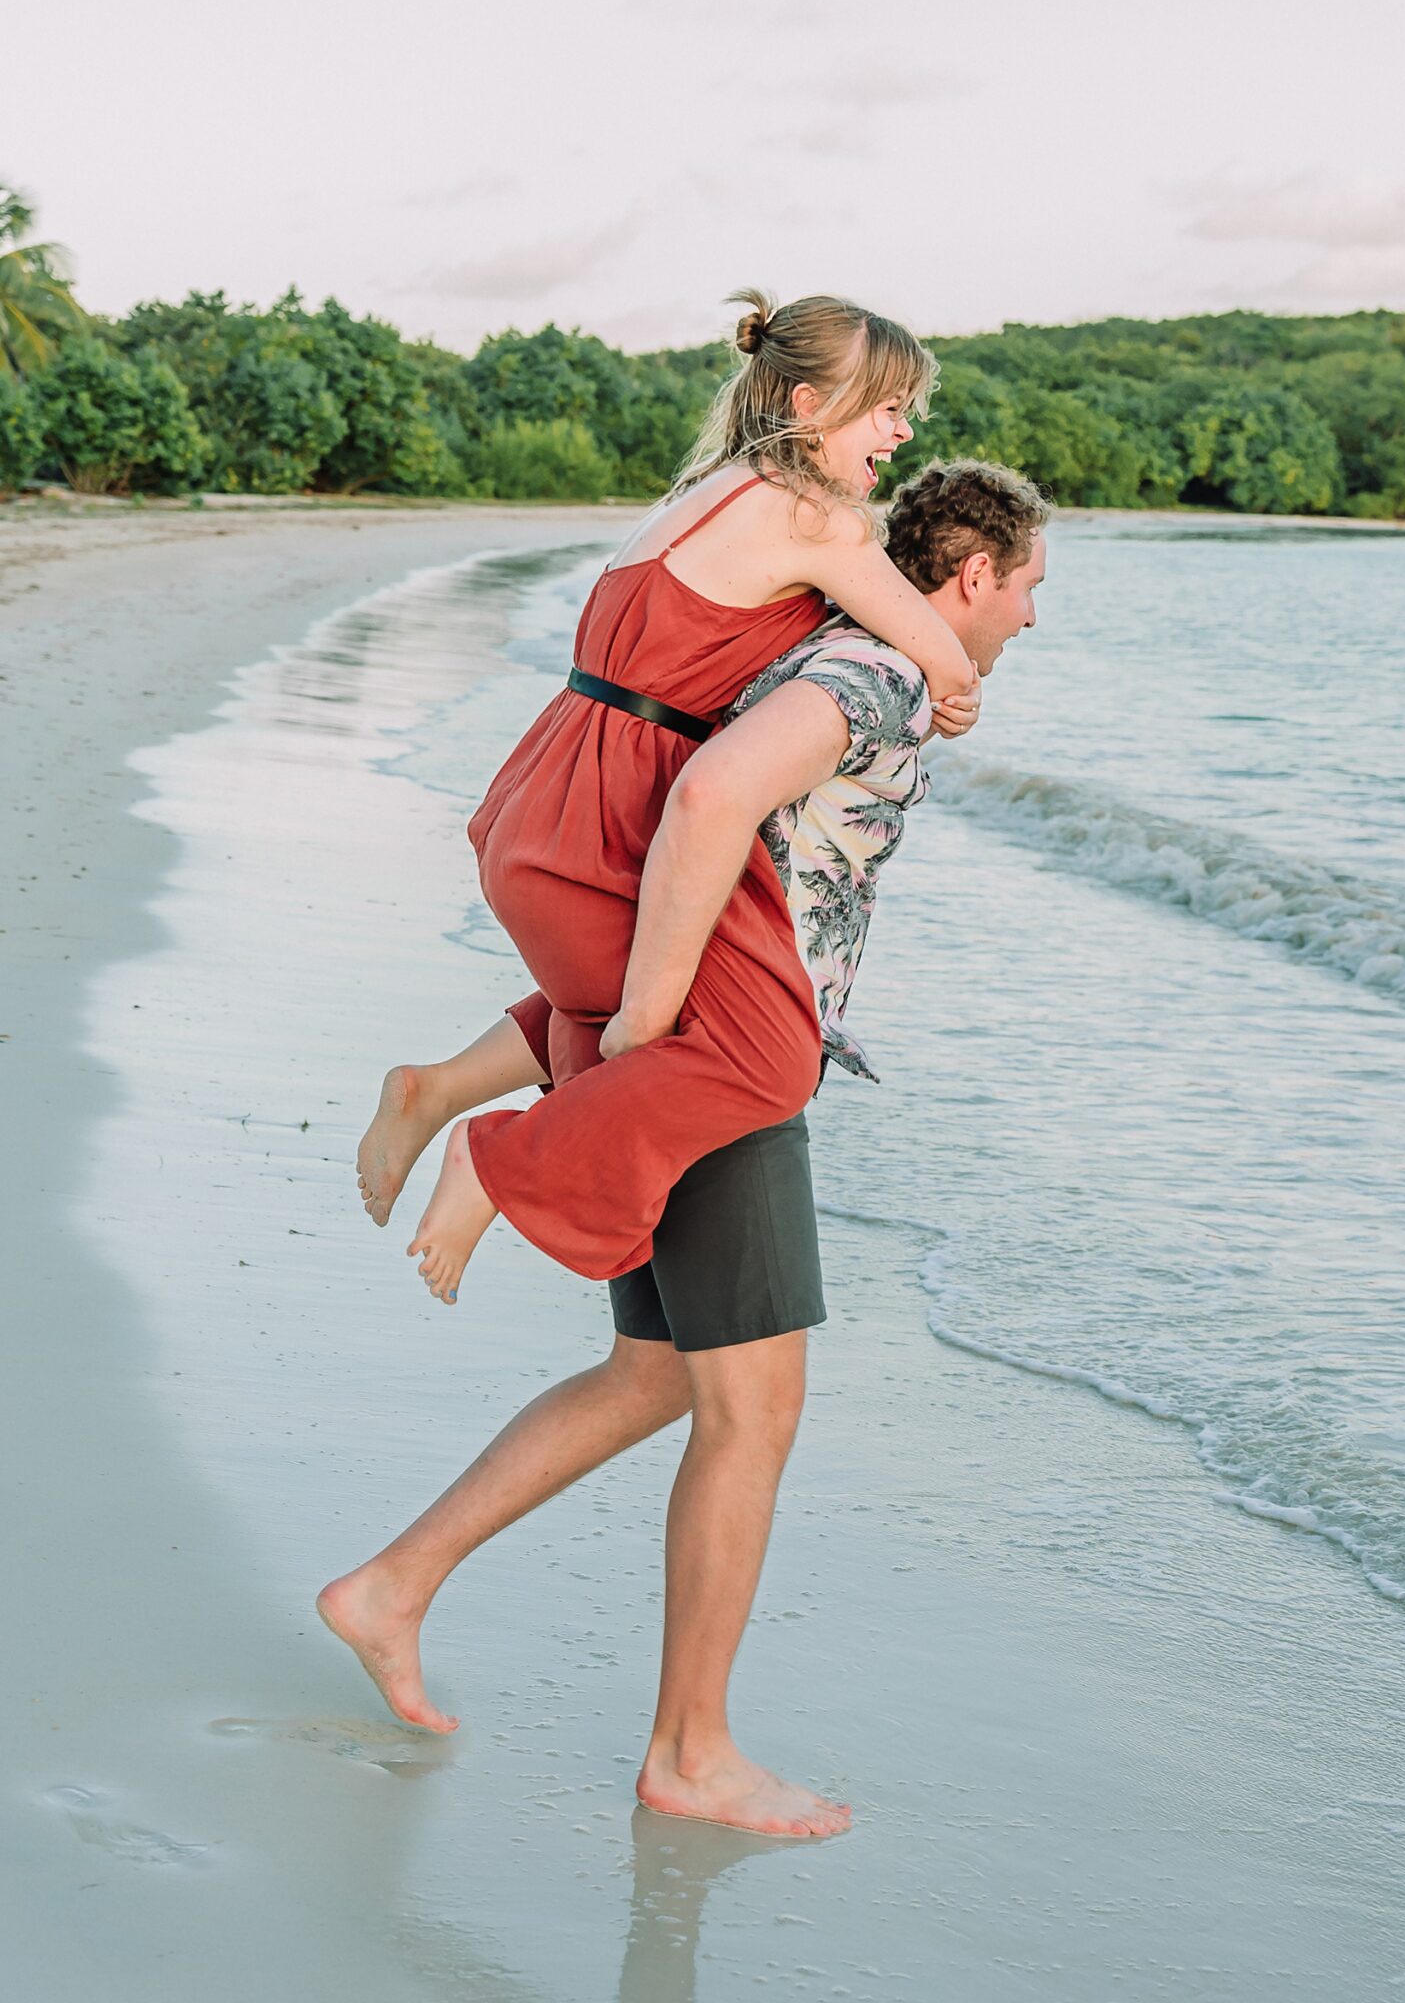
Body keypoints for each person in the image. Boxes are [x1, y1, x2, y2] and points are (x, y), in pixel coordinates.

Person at [319, 459, 1050, 1838]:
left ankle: (394, 1587)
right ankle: (689, 1752)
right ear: (969, 579)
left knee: (656, 1372)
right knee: (751, 1412)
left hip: (692, 1036)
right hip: (723, 1059)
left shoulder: (818, 641)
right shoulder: (873, 676)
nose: (1026, 619)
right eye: (1025, 592)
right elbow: (711, 797)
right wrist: (653, 1030)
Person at [354, 288, 980, 1301]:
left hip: (543, 802)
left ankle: (443, 1100)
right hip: (612, 819)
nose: (904, 431)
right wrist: (953, 695)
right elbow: (943, 659)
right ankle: (498, 1158)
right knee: (763, 1050)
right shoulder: (815, 515)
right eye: (887, 407)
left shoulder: (710, 486)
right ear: (813, 406)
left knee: (611, 1015)